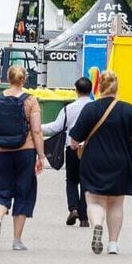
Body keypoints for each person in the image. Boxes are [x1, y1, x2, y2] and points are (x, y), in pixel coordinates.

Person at [69, 70, 132, 255]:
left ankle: (97, 224)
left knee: (94, 200)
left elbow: (74, 140)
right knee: (115, 203)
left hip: (93, 162)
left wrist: (77, 145)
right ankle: (113, 244)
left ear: (99, 88)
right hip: (121, 163)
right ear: (117, 87)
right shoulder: (127, 109)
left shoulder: (90, 109)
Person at [0, 66, 44, 251]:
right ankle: (17, 240)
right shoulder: (31, 100)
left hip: (0, 151)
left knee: (0, 191)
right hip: (25, 152)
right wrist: (41, 156)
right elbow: (36, 130)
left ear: (7, 78)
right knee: (23, 193)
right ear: (24, 79)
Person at [41, 77, 93, 227]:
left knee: (71, 180)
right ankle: (84, 217)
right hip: (90, 150)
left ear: (76, 91)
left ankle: (73, 208)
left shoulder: (68, 108)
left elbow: (56, 127)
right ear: (90, 91)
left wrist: (37, 127)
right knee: (86, 182)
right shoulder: (95, 108)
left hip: (72, 148)